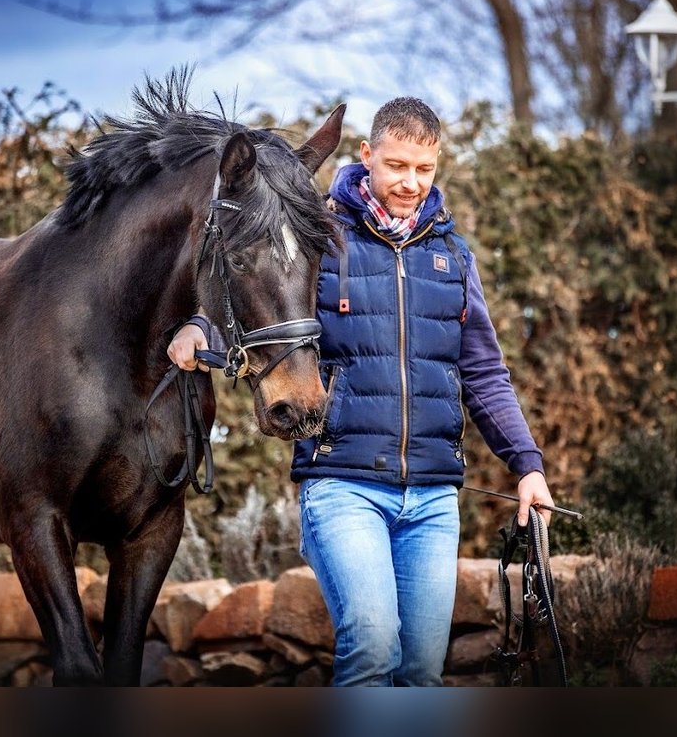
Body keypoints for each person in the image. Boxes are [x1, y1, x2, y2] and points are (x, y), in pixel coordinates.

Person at [168, 97, 553, 686]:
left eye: (424, 169)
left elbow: (483, 372)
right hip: (343, 485)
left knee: (422, 673)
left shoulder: (452, 257)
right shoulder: (318, 236)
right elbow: (263, 298)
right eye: (396, 165)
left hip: (432, 496)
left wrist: (527, 466)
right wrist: (201, 328)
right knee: (372, 646)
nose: (410, 182)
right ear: (367, 155)